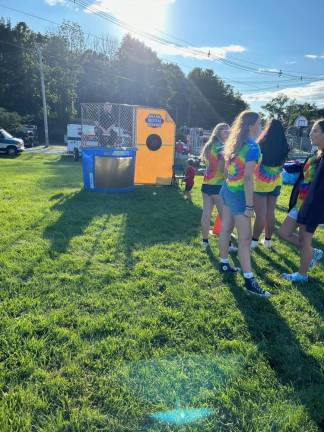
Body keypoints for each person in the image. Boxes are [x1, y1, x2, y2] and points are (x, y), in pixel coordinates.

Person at [218, 110, 271, 297]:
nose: (261, 126)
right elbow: (248, 178)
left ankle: (224, 263)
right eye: (259, 122)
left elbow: (227, 172)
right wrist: (249, 206)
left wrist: (230, 185)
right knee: (245, 240)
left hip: (227, 190)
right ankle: (249, 280)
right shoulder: (252, 148)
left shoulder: (235, 144)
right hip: (239, 196)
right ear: (251, 126)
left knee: (225, 229)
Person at [279, 119, 324, 282]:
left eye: (316, 131)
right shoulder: (316, 154)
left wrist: (311, 207)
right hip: (300, 203)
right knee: (283, 233)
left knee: (305, 241)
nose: (311, 133)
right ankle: (312, 253)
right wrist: (295, 166)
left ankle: (302, 275)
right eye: (311, 130)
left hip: (311, 206)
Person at [251, 119, 289, 249]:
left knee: (260, 213)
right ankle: (267, 241)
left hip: (261, 182)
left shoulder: (261, 143)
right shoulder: (284, 145)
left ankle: (254, 241)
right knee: (270, 212)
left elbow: (256, 163)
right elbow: (282, 164)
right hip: (276, 180)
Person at [200, 123, 231, 250]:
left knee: (206, 214)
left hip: (206, 184)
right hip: (218, 186)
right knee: (225, 217)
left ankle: (205, 242)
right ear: (219, 132)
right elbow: (220, 168)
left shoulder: (209, 145)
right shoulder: (221, 147)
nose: (229, 133)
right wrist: (229, 178)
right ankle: (227, 245)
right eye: (226, 131)